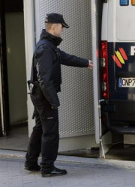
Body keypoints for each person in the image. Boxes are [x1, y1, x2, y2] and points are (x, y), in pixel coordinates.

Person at [24, 13, 93, 177]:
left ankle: (31, 162)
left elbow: (63, 57)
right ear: (54, 26)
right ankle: (47, 168)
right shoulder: (46, 48)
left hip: (40, 95)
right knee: (51, 132)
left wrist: (86, 63)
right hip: (44, 96)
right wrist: (53, 101)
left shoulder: (48, 45)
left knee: (40, 129)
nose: (63, 30)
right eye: (62, 27)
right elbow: (45, 79)